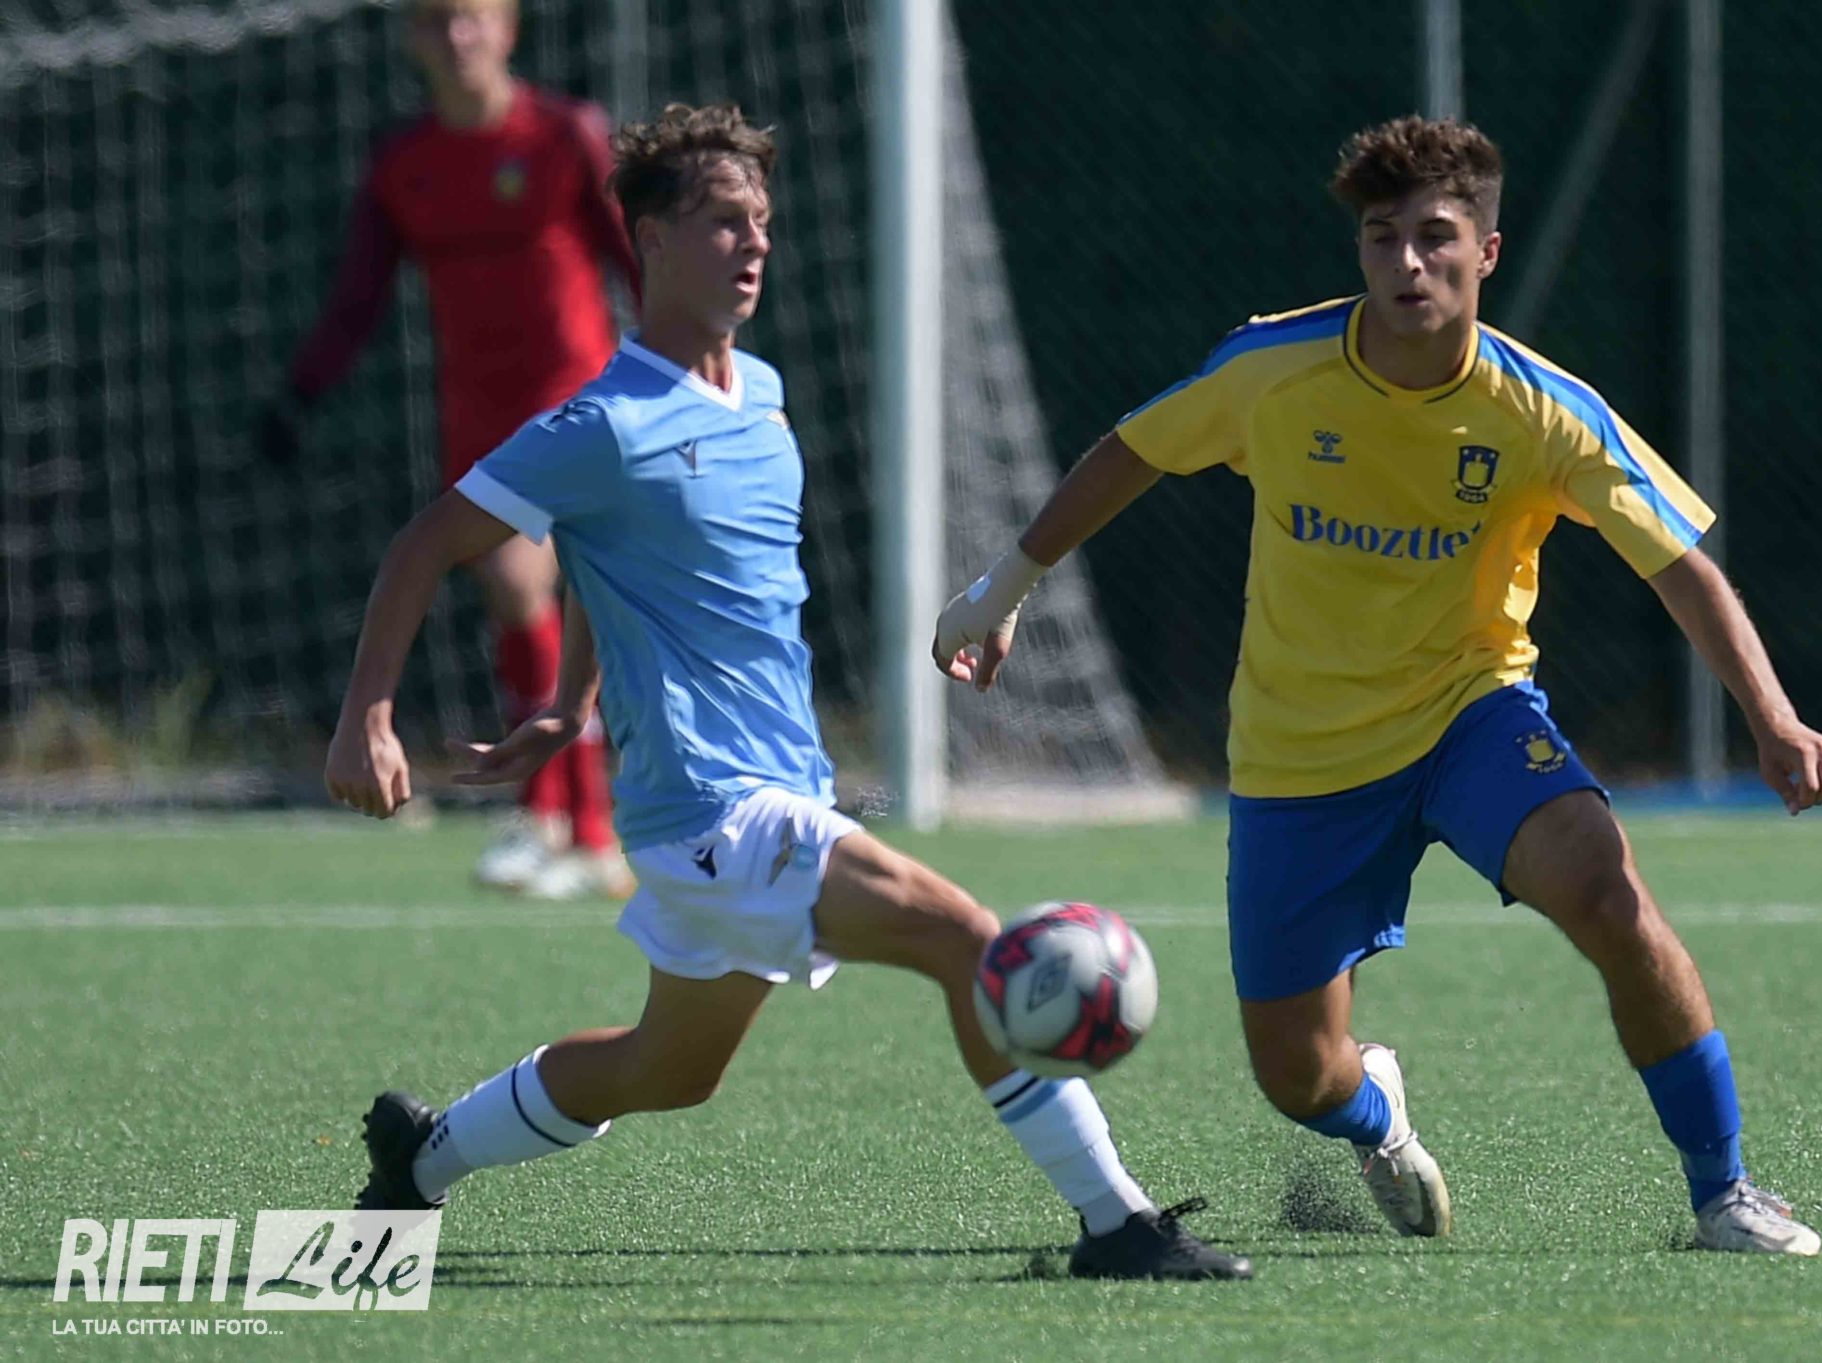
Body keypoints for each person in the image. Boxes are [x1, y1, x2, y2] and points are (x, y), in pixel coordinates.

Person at [322, 101, 1251, 1282]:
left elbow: (621, 559)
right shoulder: (601, 423)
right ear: (651, 240)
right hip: (715, 809)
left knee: (668, 1069)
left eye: (760, 219)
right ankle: (1115, 1223)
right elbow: (422, 546)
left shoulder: (758, 392)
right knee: (966, 940)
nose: (753, 242)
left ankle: (422, 1158)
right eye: (722, 221)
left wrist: (571, 699)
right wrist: (366, 715)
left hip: (768, 794)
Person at [936, 115, 1822, 1256]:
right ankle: (1378, 1115)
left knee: (1612, 899)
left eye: (1435, 236)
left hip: (1471, 713)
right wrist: (1005, 586)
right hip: (1299, 753)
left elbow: (1678, 565)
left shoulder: (1542, 410)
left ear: (1486, 252)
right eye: (1381, 237)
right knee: (1297, 1076)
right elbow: (1133, 450)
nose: (1407, 263)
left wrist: (1771, 716)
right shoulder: (1273, 369)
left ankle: (1725, 1191)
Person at [268, 0, 636, 898]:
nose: (456, 36)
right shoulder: (406, 162)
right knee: (529, 609)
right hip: (475, 412)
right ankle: (579, 831)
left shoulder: (566, 134)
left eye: (471, 17)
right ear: (412, 39)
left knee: (525, 584)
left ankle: (563, 823)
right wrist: (300, 393)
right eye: (436, 21)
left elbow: (637, 258)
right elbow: (358, 295)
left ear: (508, 28)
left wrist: (703, 364)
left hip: (575, 399)